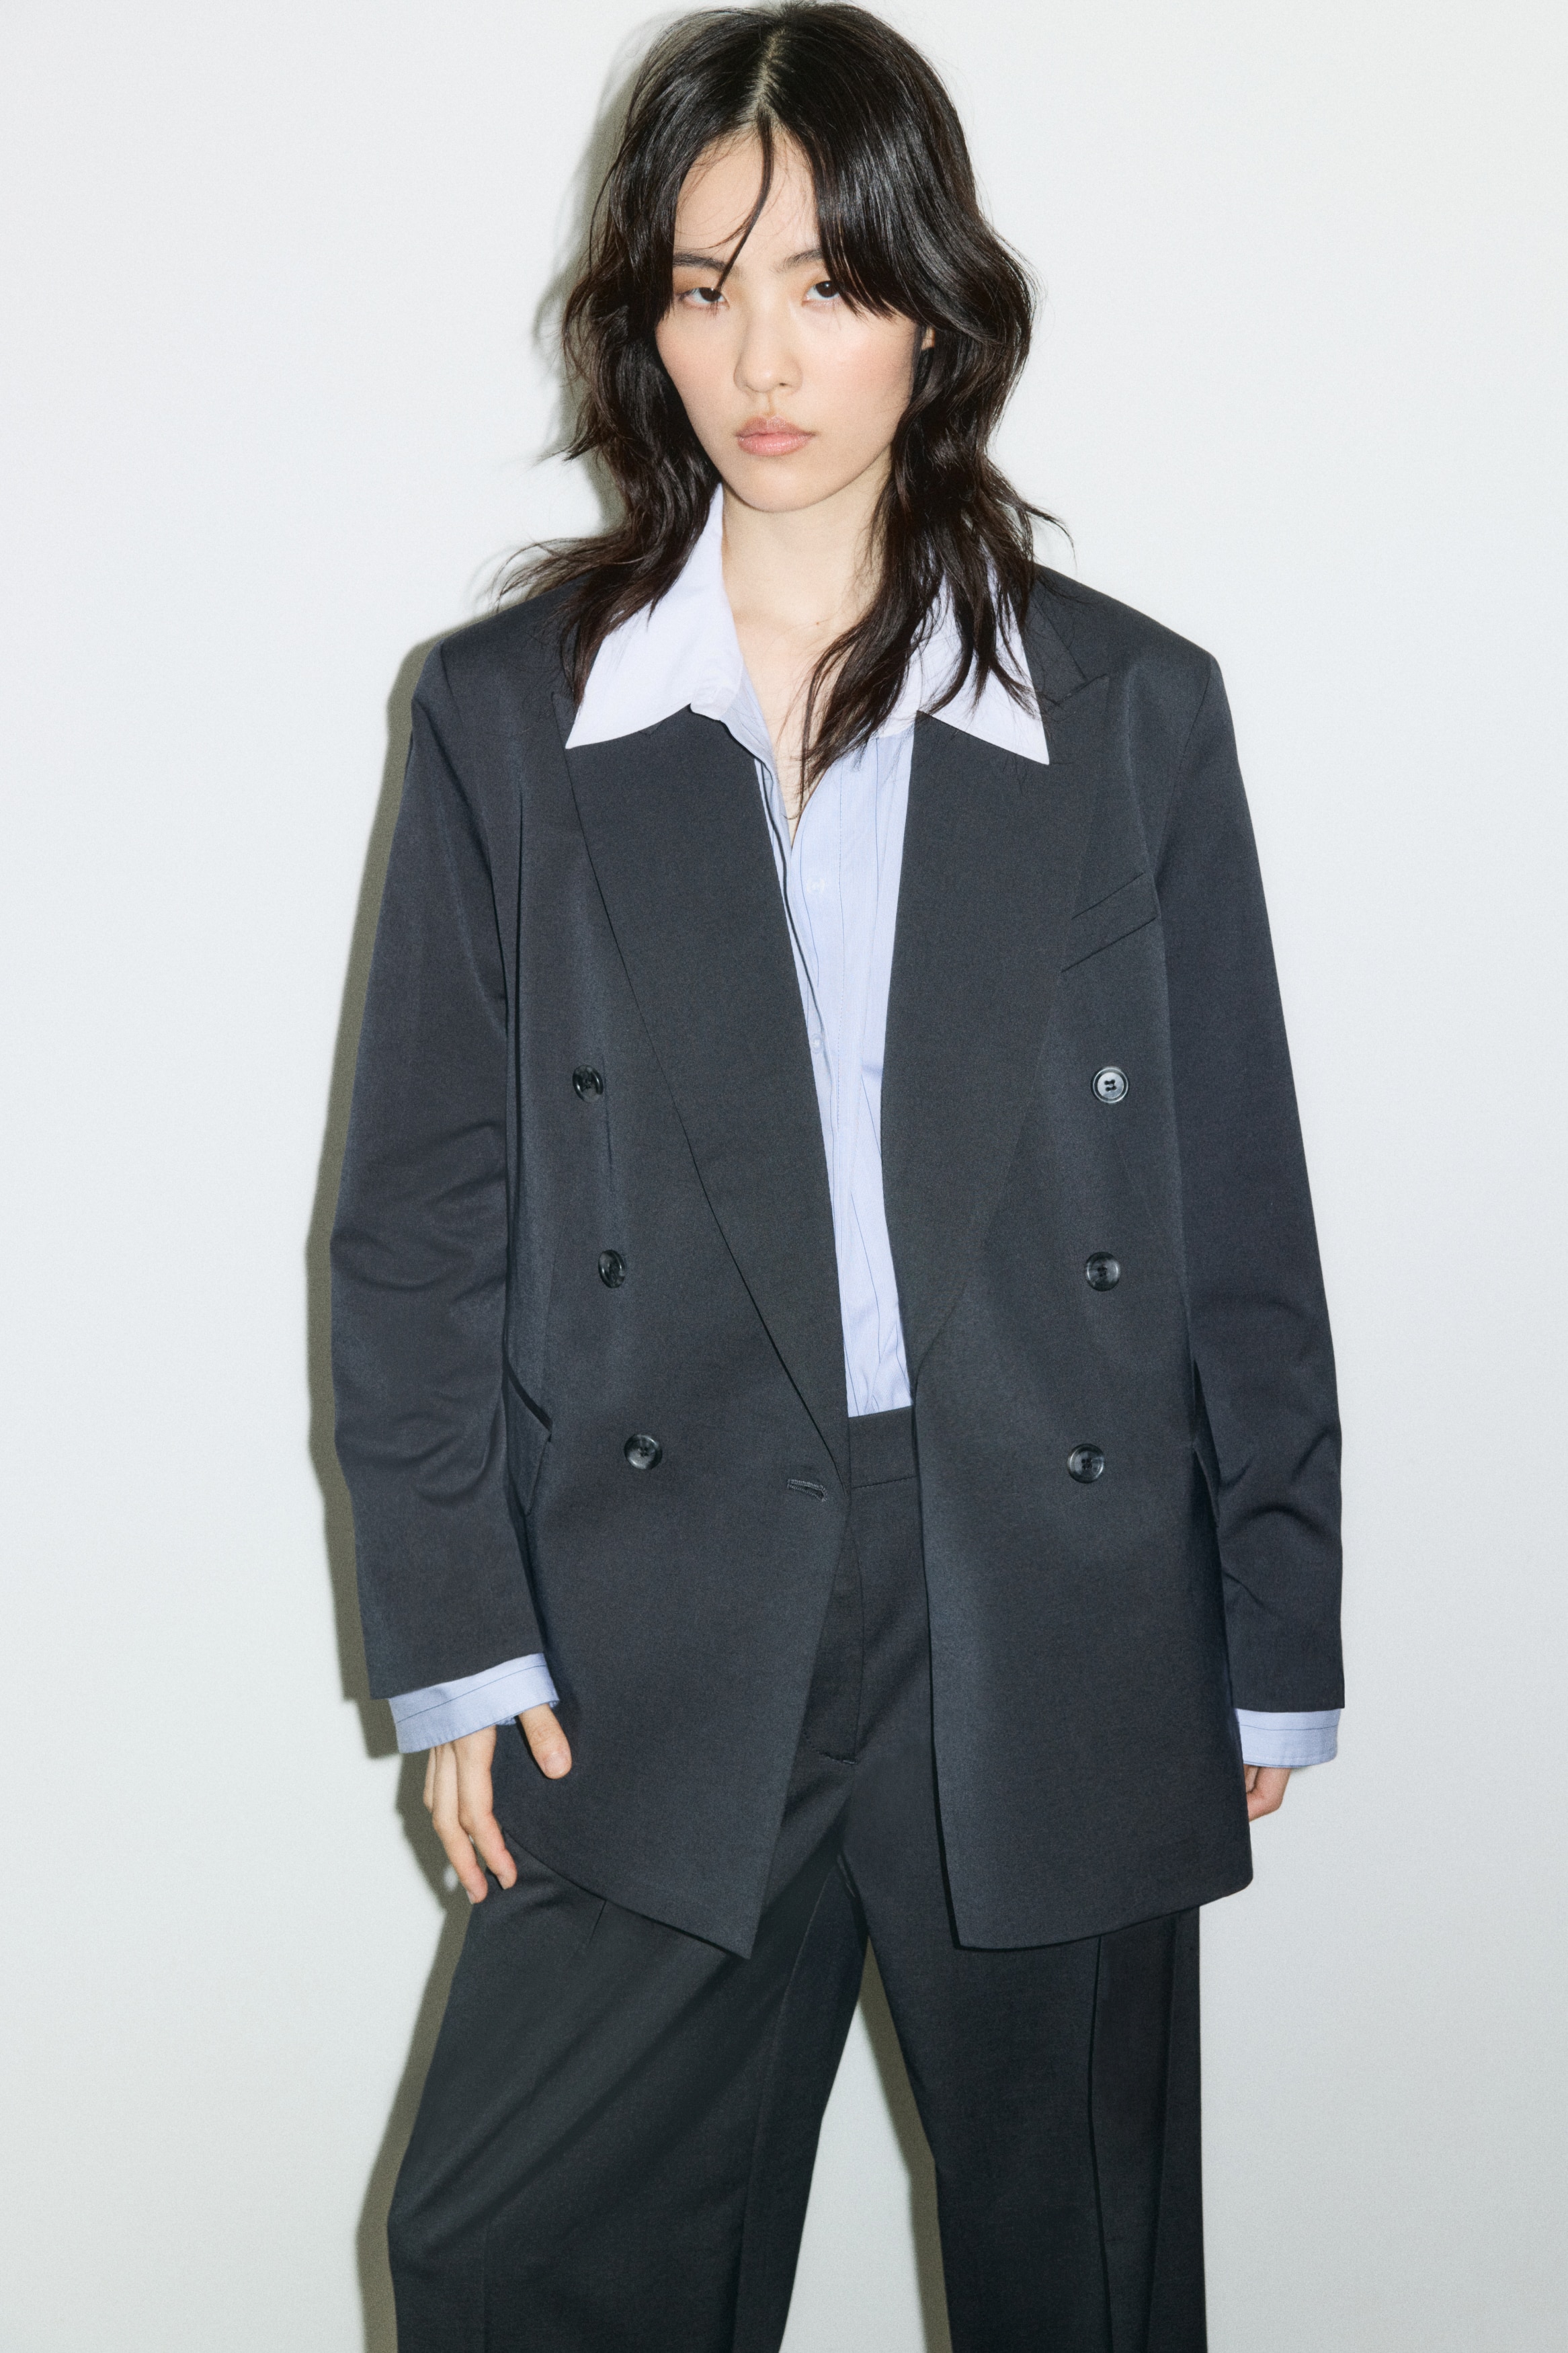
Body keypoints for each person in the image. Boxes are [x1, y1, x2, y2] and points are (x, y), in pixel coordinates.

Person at [330, 5, 1343, 2346]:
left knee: (1083, 2280)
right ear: (643, 317)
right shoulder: (513, 719)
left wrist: (1272, 1623)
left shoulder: (1124, 710)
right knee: (513, 2253)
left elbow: (1237, 1190)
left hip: (1053, 1584)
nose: (764, 356)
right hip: (658, 1598)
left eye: (827, 279)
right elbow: (417, 1218)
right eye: (706, 288)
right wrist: (458, 1630)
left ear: (934, 306)